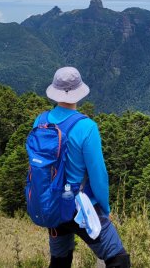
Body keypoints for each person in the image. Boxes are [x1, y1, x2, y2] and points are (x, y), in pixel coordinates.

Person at [33, 66, 130, 268]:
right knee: (118, 259)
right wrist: (104, 208)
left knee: (60, 261)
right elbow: (98, 176)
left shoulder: (40, 121)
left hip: (52, 206)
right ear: (79, 92)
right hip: (81, 209)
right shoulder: (87, 127)